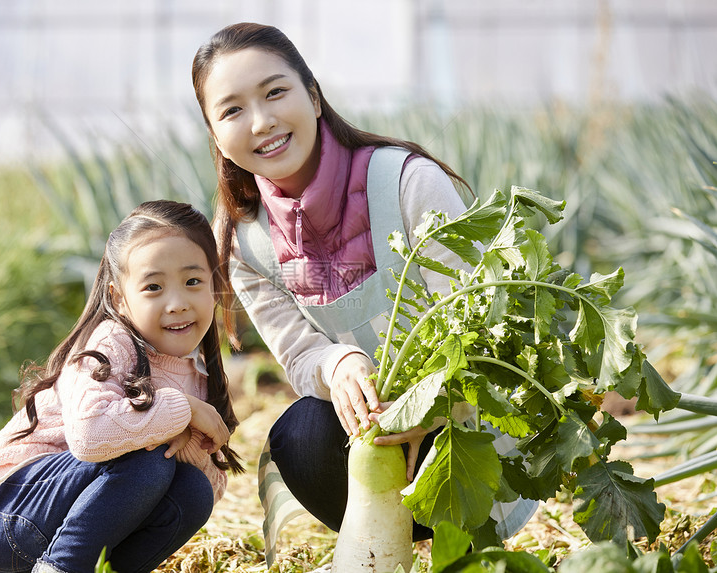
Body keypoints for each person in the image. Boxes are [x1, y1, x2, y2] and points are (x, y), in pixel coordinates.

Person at [191, 22, 537, 560]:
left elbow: (483, 324)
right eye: (231, 110)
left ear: (312, 94)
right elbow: (301, 355)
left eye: (275, 92)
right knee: (297, 436)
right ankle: (382, 547)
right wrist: (339, 365)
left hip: (465, 436)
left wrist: (430, 405)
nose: (261, 122)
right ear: (215, 134)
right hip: (370, 447)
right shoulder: (246, 243)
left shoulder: (406, 182)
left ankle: (463, 535)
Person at [0, 200, 244, 573]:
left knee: (193, 491)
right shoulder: (109, 344)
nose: (177, 303)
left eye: (193, 282)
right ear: (120, 299)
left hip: (75, 526)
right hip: (12, 518)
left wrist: (188, 439)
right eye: (153, 287)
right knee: (147, 460)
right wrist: (181, 411)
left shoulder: (199, 377)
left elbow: (209, 486)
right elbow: (90, 436)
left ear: (214, 287)